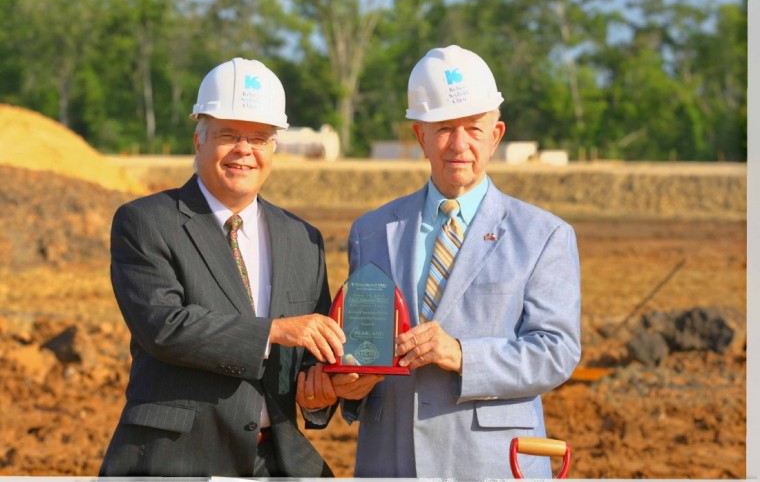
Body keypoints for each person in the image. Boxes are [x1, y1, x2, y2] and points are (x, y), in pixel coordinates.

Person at [332, 45, 582, 479]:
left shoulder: (545, 236)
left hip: (492, 463)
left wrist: (462, 354)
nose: (459, 144)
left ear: (496, 134)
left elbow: (556, 352)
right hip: (391, 460)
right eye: (444, 128)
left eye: (473, 128)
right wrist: (351, 386)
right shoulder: (370, 232)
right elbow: (363, 348)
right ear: (419, 137)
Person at [99, 58, 345, 477]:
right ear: (199, 138)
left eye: (260, 138)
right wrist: (274, 331)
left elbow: (308, 358)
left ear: (275, 147)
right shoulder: (146, 221)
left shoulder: (303, 239)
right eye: (229, 135)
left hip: (276, 462)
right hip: (176, 459)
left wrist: (323, 393)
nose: (244, 151)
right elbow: (164, 327)